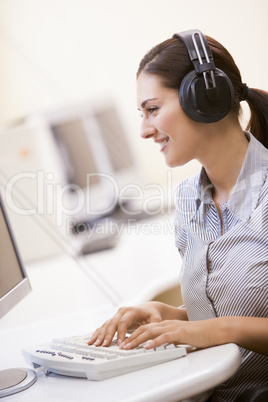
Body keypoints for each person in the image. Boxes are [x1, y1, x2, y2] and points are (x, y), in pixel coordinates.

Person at [88, 30, 268, 401]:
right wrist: (169, 315)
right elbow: (237, 304)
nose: (144, 130)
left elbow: (225, 326)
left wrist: (217, 330)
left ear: (206, 97)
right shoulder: (189, 198)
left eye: (152, 109)